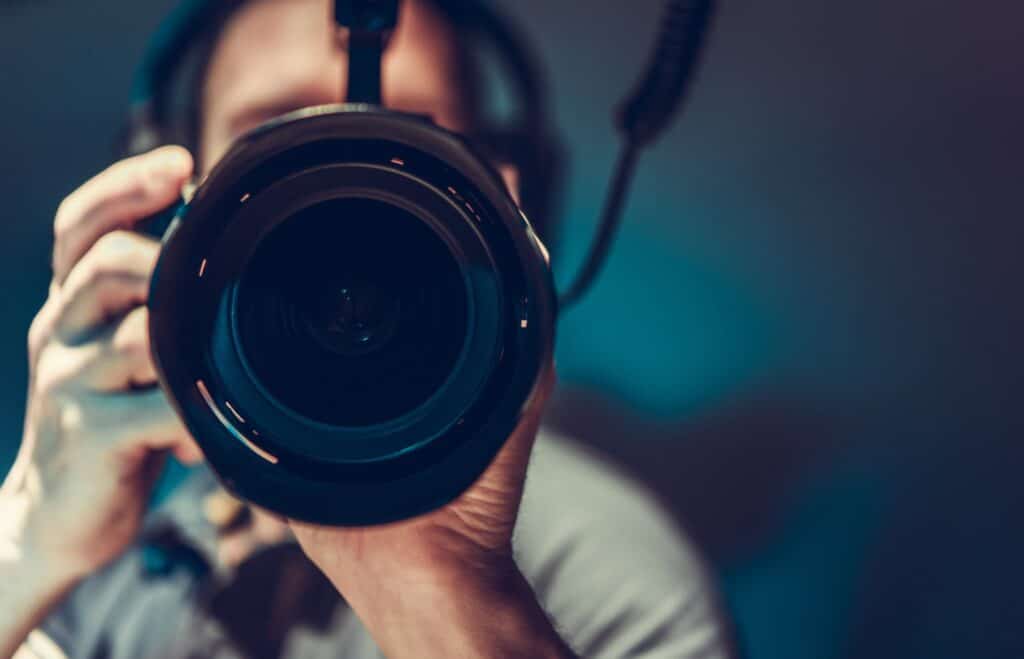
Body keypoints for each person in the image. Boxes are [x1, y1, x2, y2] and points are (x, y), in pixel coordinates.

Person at [0, 0, 735, 657]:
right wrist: (24, 545)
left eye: (403, 138)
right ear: (175, 216)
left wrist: (441, 588)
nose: (340, 190)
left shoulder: (603, 573)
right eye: (280, 138)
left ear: (503, 206)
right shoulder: (109, 562)